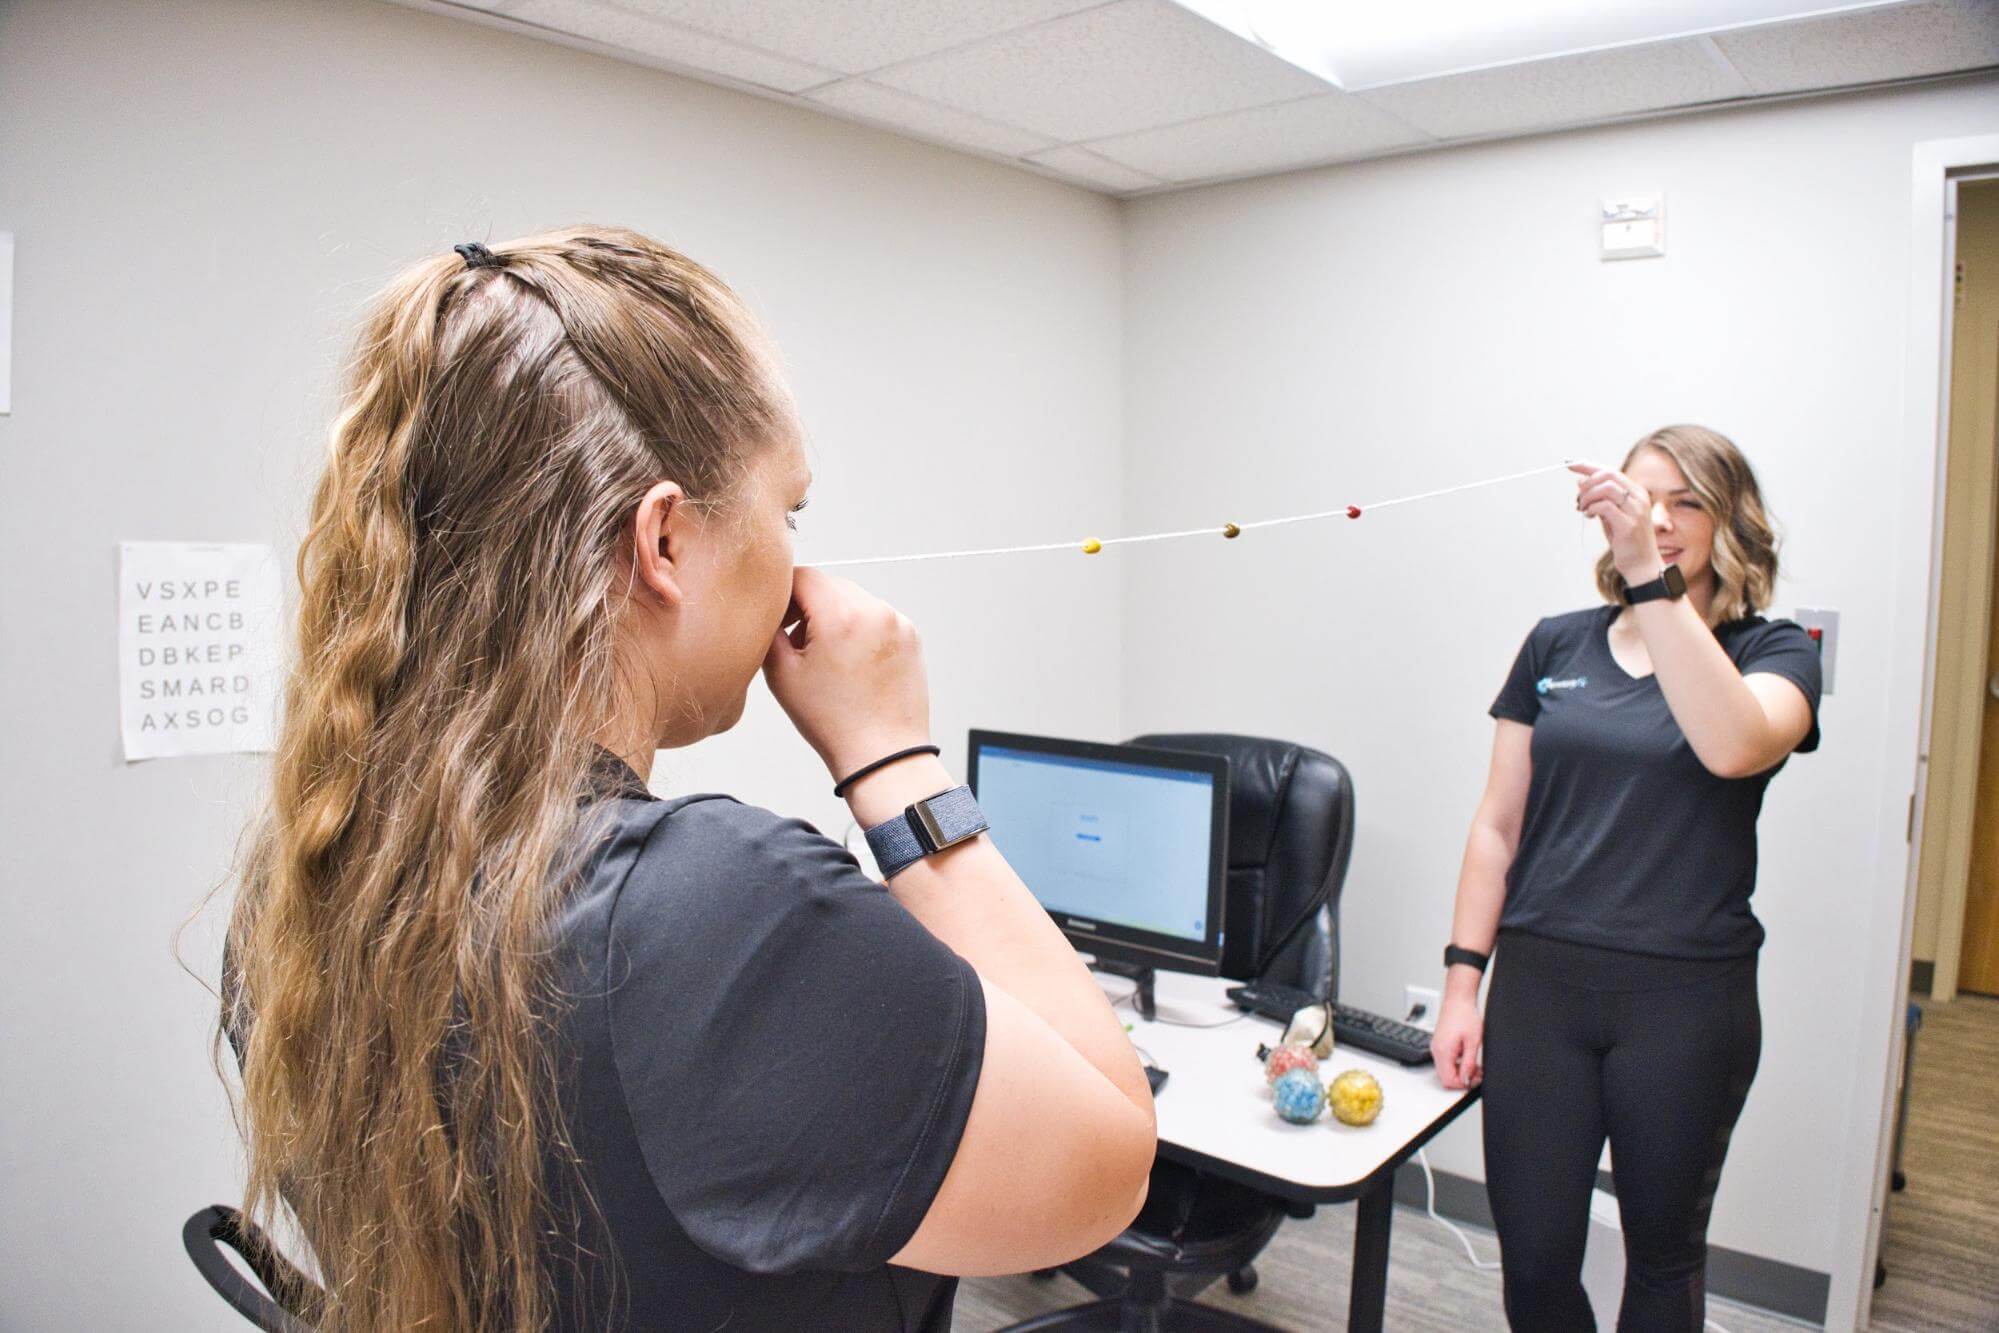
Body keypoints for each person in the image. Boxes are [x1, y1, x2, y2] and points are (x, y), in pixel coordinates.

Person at [220, 227, 1155, 1332]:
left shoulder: (309, 870)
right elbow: (1106, 1162)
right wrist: (894, 761)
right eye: (787, 510)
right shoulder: (706, 908)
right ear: (662, 541)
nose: (798, 560)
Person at [1429, 427, 1822, 1331]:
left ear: (1732, 522)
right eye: (1645, 500)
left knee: (1661, 1261)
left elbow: (1728, 744)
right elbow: (1498, 827)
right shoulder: (1554, 645)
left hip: (1684, 1005)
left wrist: (1650, 578)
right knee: (1530, 1259)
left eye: (1687, 501)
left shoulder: (1775, 653)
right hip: (1540, 996)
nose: (1662, 520)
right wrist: (1460, 987)